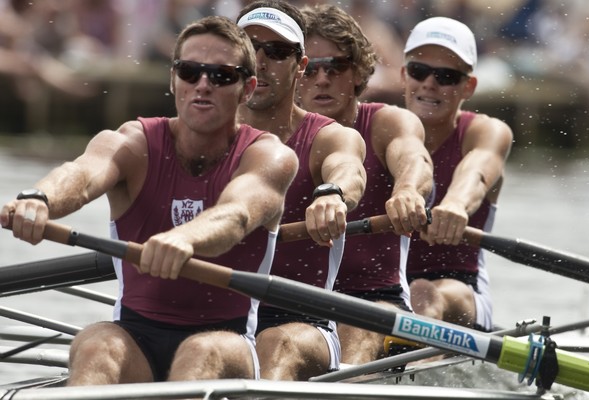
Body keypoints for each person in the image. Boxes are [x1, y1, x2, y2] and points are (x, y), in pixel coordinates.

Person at [0, 15, 298, 385]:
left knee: (200, 352)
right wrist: (39, 198)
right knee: (94, 341)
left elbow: (236, 215)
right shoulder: (134, 142)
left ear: (247, 88)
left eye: (220, 76)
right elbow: (83, 173)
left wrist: (184, 238)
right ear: (174, 80)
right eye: (190, 72)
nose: (202, 85)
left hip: (227, 342)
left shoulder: (268, 156)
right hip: (135, 338)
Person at [235, 1, 367, 380]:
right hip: (214, 315)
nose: (261, 61)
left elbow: (348, 168)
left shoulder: (328, 137)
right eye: (251, 48)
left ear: (300, 66)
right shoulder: (197, 137)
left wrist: (331, 193)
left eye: (276, 52)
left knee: (276, 345)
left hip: (301, 322)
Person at [296, 4, 433, 365]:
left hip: (374, 301)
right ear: (296, 73)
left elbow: (414, 158)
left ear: (357, 73)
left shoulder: (387, 123)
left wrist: (406, 191)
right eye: (311, 68)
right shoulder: (271, 138)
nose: (321, 79)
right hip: (293, 303)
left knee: (354, 330)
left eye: (335, 67)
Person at [402, 17, 513, 332]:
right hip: (381, 287)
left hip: (459, 290)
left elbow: (476, 170)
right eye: (419, 71)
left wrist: (454, 205)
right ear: (402, 76)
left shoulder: (486, 131)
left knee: (422, 292)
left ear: (469, 86)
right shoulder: (378, 130)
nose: (429, 84)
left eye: (446, 76)